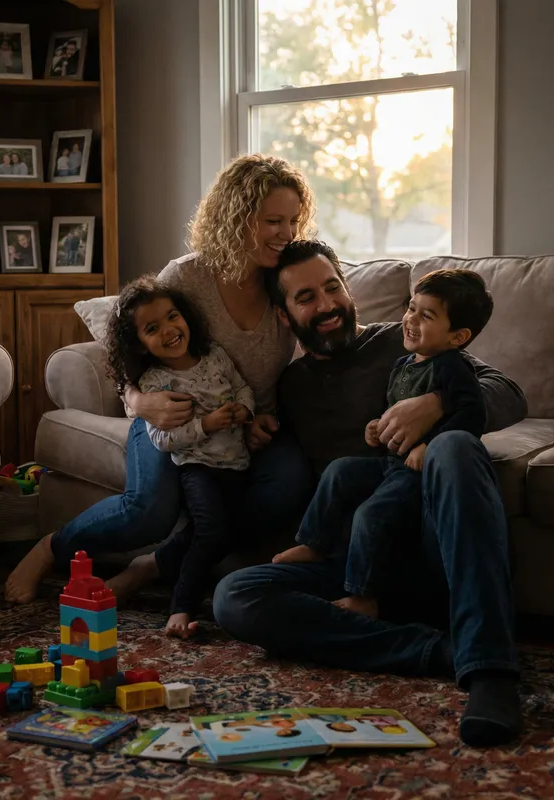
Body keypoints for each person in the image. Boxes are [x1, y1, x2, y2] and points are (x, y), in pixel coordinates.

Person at [212, 239, 526, 748]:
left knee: (453, 448)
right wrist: (255, 431)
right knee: (234, 597)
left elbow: (510, 394)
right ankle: (441, 652)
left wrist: (435, 403)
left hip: (430, 540)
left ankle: (491, 670)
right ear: (285, 314)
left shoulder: (406, 343)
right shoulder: (290, 384)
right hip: (353, 561)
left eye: (333, 287)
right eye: (306, 297)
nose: (328, 304)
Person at [4, 153, 317, 605]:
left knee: (289, 482)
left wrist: (263, 418)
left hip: (246, 428)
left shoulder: (285, 281)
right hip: (165, 421)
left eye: (293, 221)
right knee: (148, 512)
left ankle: (151, 566)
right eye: (273, 221)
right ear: (236, 217)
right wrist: (137, 402)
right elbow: (123, 352)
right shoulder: (187, 276)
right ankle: (50, 548)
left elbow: (317, 350)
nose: (286, 234)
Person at [274, 267, 493, 620]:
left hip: (413, 477)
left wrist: (433, 423)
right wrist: (377, 426)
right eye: (411, 308)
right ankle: (314, 543)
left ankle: (365, 599)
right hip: (384, 471)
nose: (411, 320)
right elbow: (393, 408)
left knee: (371, 513)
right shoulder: (402, 363)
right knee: (340, 471)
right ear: (283, 315)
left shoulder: (442, 362)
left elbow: (481, 405)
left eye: (333, 287)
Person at [110, 276, 255, 639]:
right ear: (140, 344)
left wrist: (245, 410)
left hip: (237, 465)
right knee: (210, 531)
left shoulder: (215, 355)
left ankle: (152, 568)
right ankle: (181, 606)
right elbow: (162, 440)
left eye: (173, 317)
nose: (169, 330)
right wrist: (205, 425)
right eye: (152, 328)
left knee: (222, 532)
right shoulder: (156, 382)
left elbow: (241, 387)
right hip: (197, 469)